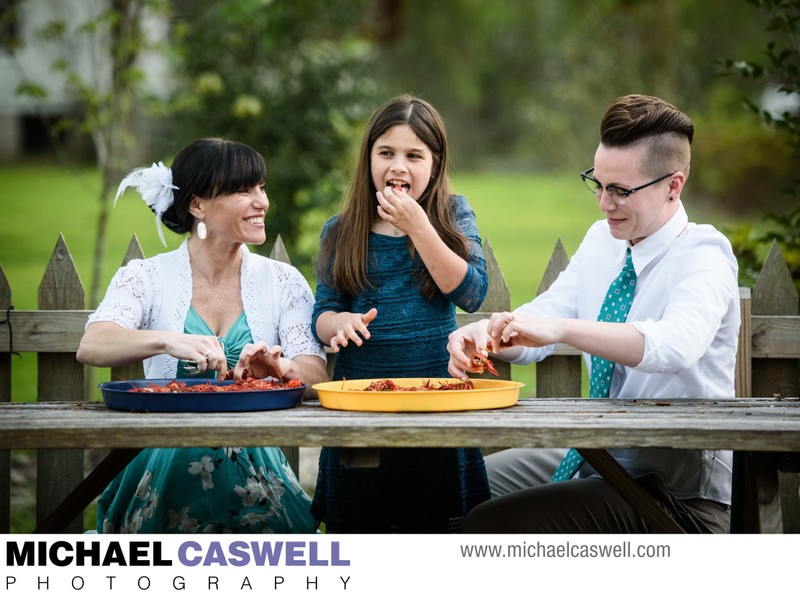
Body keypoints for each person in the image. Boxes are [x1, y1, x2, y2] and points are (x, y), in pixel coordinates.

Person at [447, 94, 740, 534]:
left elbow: (674, 346)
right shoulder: (602, 241)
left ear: (672, 187)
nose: (604, 203)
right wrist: (488, 335)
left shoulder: (705, 254)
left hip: (679, 497)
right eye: (597, 183)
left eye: (620, 190)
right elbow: (544, 317)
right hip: (595, 460)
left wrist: (561, 330)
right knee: (452, 486)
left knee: (492, 524)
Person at [76, 137, 329, 533]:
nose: (261, 201)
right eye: (244, 190)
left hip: (256, 475)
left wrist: (281, 367)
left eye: (261, 188)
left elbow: (316, 376)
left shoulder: (283, 282)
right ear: (197, 205)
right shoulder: (146, 277)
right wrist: (167, 340)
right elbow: (92, 344)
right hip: (163, 467)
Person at [310, 94, 491, 533]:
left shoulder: (451, 214)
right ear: (368, 157)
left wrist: (419, 228)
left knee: (436, 525)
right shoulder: (342, 229)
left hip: (436, 401)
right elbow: (323, 313)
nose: (399, 167)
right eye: (386, 153)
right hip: (362, 406)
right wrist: (340, 325)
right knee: (362, 526)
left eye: (414, 155)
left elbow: (472, 293)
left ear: (435, 163)